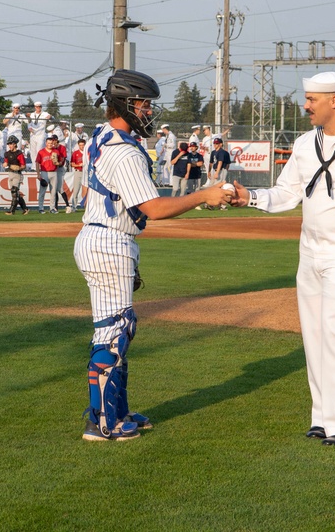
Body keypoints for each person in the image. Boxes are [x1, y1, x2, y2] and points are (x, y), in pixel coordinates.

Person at [230, 71, 335, 446]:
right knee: (315, 336)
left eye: (312, 100)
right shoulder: (306, 143)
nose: (305, 106)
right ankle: (324, 416)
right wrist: (251, 199)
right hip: (310, 252)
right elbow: (287, 192)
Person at [75, 69, 233, 441]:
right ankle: (103, 423)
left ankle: (116, 411)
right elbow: (153, 208)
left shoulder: (101, 136)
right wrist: (203, 195)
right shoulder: (124, 151)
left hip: (103, 237)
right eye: (143, 104)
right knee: (115, 332)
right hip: (108, 239)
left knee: (117, 328)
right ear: (125, 104)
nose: (148, 111)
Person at [2, 135, 29, 215]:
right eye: (9, 144)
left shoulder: (19, 154)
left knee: (14, 191)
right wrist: (5, 164)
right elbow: (6, 163)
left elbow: (23, 166)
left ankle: (11, 210)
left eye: (11, 144)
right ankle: (25, 209)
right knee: (15, 193)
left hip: (17, 174)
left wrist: (18, 168)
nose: (10, 145)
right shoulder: (7, 154)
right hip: (10, 173)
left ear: (15, 144)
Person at [35, 133, 60, 214]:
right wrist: (38, 174)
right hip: (44, 172)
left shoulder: (56, 151)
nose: (50, 144)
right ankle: (41, 208)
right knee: (42, 191)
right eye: (48, 143)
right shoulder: (41, 152)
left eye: (51, 143)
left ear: (53, 143)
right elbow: (37, 163)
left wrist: (58, 163)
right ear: (46, 143)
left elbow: (59, 162)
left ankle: (52, 208)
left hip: (54, 172)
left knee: (53, 191)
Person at [27, 101, 51, 170]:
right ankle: (34, 166)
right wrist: (29, 128)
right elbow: (29, 123)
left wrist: (50, 116)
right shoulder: (32, 114)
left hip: (41, 134)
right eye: (37, 107)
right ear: (35, 107)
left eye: (39, 107)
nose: (38, 108)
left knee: (39, 150)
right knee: (33, 151)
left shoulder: (44, 114)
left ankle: (40, 166)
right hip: (33, 134)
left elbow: (51, 117)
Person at [69, 136, 86, 212]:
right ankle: (74, 206)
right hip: (78, 172)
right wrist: (79, 165)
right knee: (76, 190)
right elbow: (72, 164)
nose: (82, 147)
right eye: (80, 145)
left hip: (86, 172)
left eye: (83, 145)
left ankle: (87, 206)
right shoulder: (75, 153)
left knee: (86, 191)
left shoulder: (88, 152)